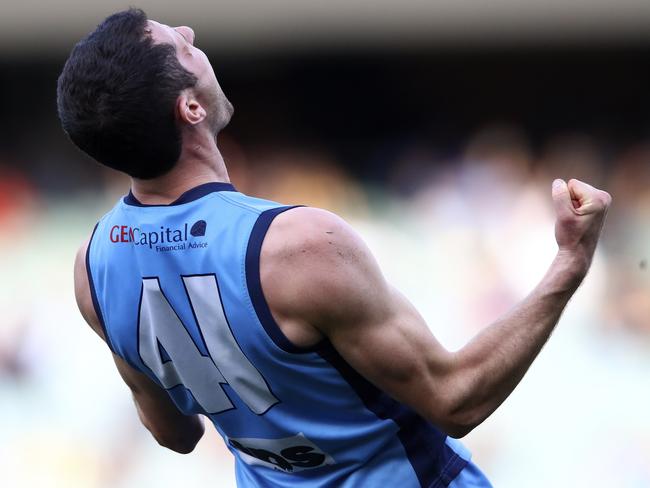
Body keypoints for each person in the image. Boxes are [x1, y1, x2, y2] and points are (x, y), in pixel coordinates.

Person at [58, 9, 611, 488]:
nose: (189, 30)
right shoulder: (296, 246)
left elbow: (173, 433)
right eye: (180, 45)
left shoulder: (94, 268)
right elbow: (456, 400)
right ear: (191, 109)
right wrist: (569, 263)